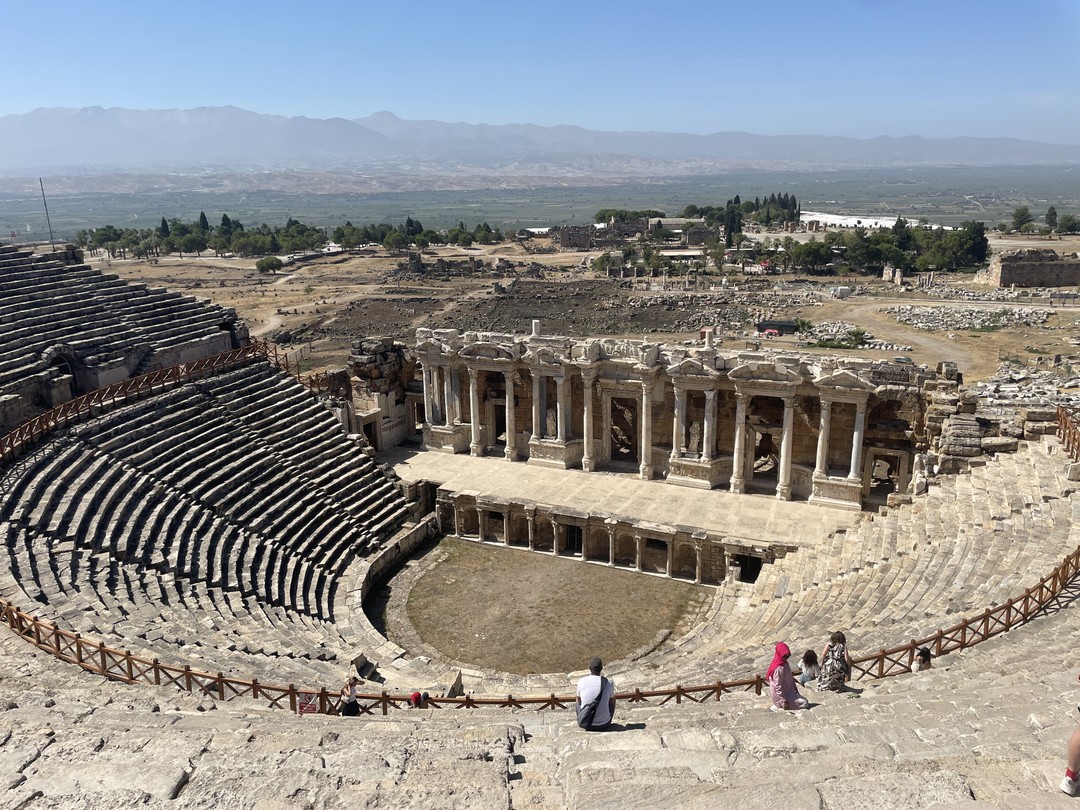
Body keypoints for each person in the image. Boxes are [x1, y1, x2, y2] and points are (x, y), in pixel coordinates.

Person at [576, 656, 615, 731]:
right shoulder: (609, 682)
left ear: (590, 668)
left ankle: (580, 718)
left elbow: (578, 700)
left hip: (585, 723)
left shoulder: (581, 681)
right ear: (601, 669)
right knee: (613, 698)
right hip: (604, 724)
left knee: (577, 699)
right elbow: (611, 701)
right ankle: (606, 717)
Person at [767, 642, 809, 711]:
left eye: (788, 655)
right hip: (782, 695)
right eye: (785, 656)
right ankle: (778, 706)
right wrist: (783, 700)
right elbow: (778, 686)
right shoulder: (779, 668)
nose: (787, 658)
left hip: (788, 690)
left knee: (804, 701)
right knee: (805, 703)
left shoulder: (783, 663)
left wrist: (794, 687)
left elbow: (789, 677)